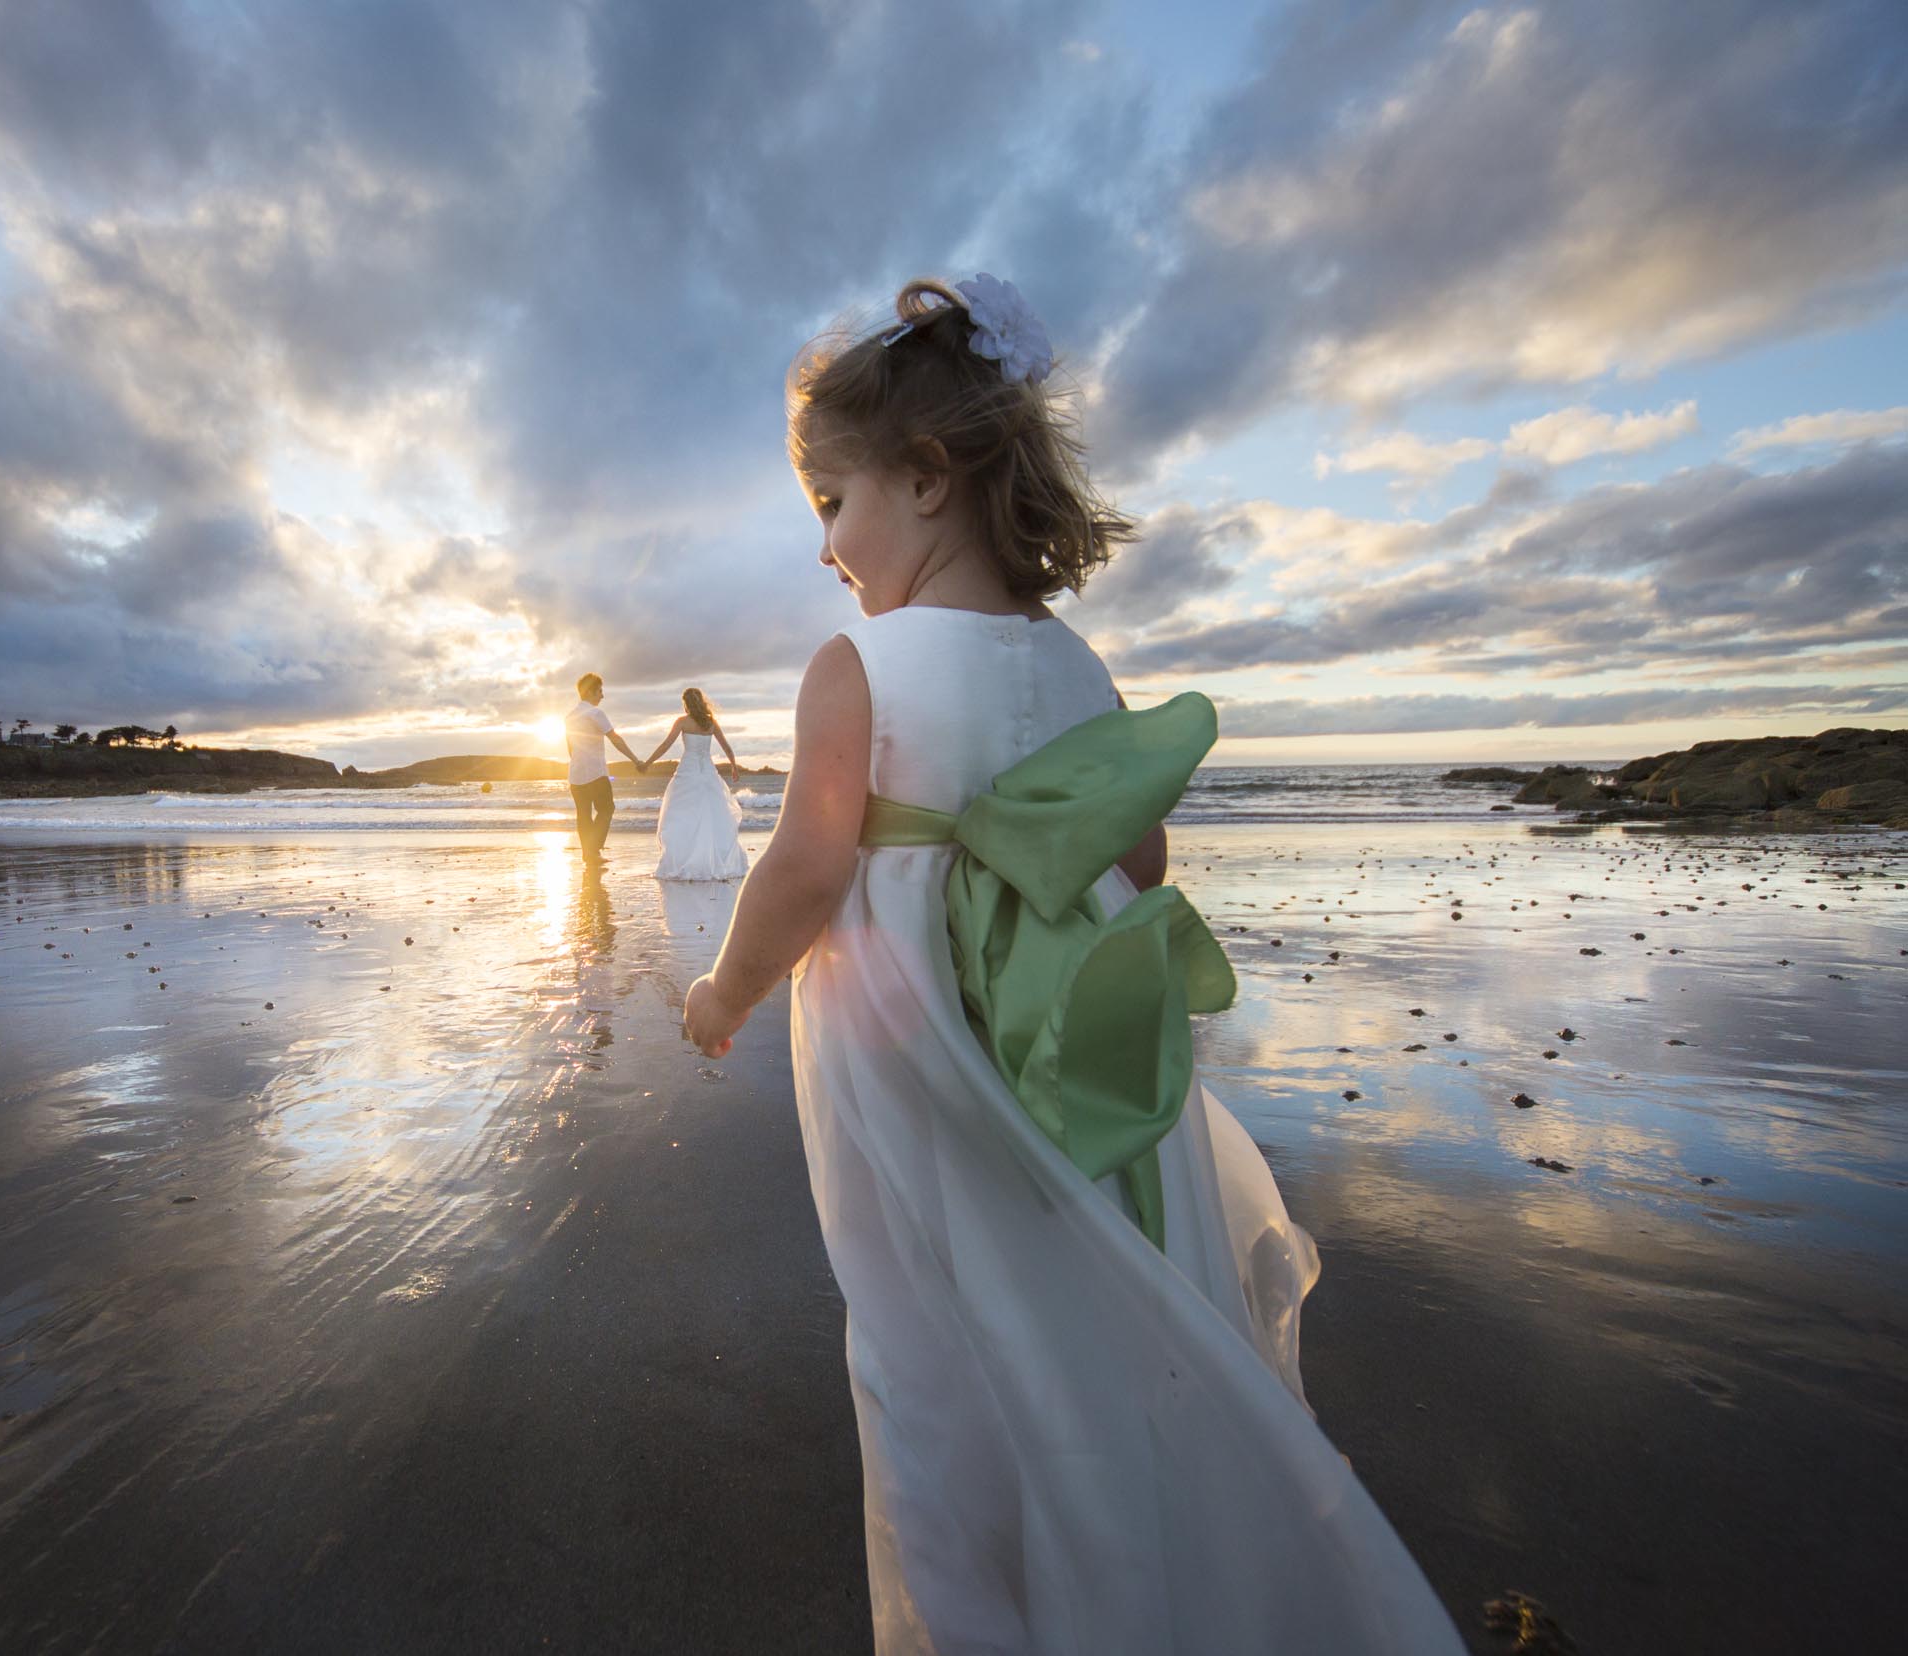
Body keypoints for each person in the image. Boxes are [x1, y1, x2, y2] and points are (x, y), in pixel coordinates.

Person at [681, 276, 1461, 1653]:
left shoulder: (854, 663)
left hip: (918, 1057)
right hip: (1069, 1053)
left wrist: (723, 989)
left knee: (929, 1337)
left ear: (923, 480)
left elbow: (805, 861)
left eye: (827, 504)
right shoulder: (1080, 665)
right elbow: (1142, 861)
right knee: (1084, 1306)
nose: (821, 549)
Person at [642, 687, 750, 881]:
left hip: (688, 772)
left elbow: (666, 745)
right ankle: (709, 859)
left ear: (686, 704)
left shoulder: (682, 722)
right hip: (707, 772)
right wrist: (733, 766)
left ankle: (686, 858)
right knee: (711, 814)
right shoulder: (710, 723)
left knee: (682, 814)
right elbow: (726, 746)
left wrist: (648, 763)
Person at [564, 672, 644, 863]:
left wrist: (578, 762)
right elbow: (615, 739)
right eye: (600, 691)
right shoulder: (595, 713)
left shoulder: (569, 716)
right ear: (590, 691)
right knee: (607, 809)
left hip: (575, 774)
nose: (602, 695)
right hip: (595, 772)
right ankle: (593, 850)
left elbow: (570, 746)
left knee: (583, 814)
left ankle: (589, 854)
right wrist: (635, 760)